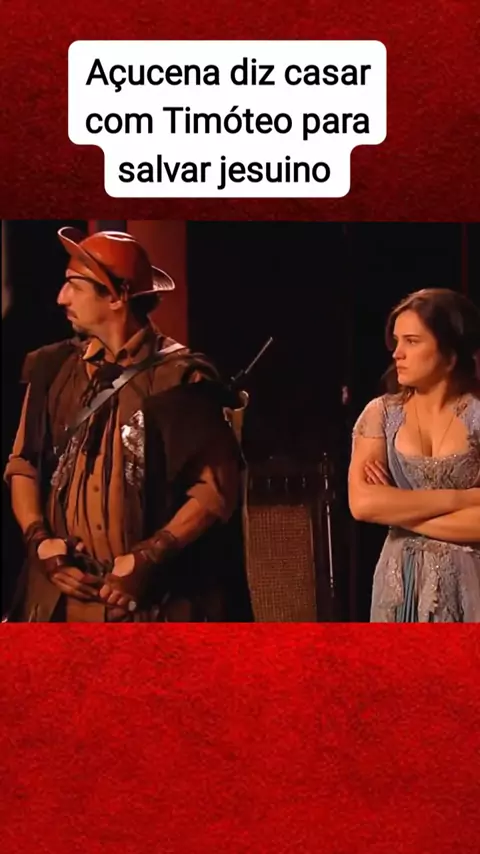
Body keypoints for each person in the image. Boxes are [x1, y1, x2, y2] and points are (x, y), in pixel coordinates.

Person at [3, 226, 248, 622]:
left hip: (148, 607)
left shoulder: (180, 378)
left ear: (117, 297)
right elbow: (23, 465)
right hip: (60, 604)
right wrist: (40, 542)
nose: (61, 297)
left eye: (74, 285)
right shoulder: (51, 368)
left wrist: (149, 558)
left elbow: (214, 492)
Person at [348, 288, 480, 622]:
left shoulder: (477, 415)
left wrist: (395, 509)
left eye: (412, 341)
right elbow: (363, 504)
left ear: (450, 353)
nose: (397, 353)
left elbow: (379, 507)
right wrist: (464, 499)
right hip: (400, 580)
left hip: (470, 582)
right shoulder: (381, 414)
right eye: (396, 341)